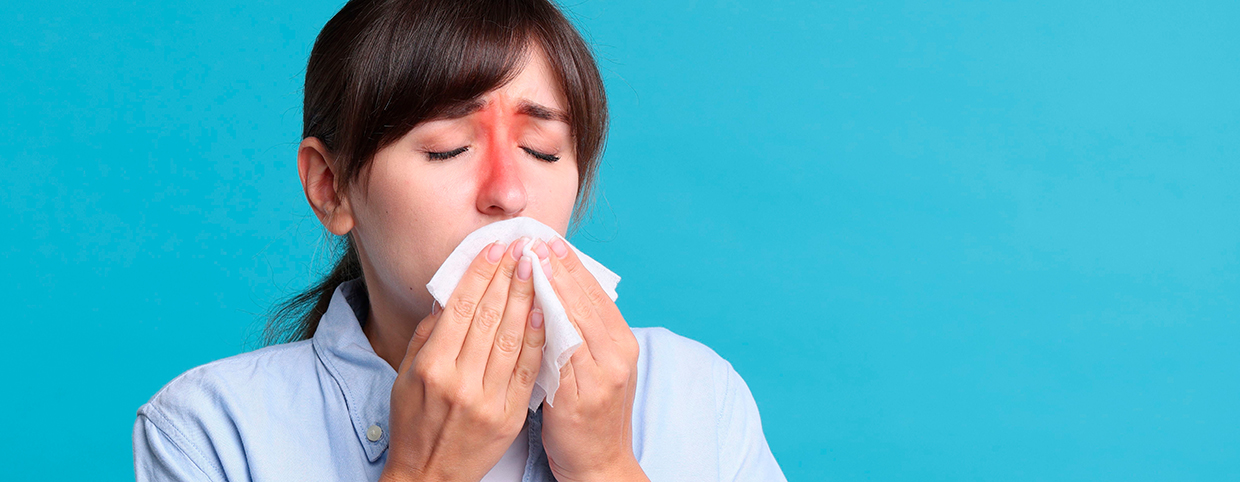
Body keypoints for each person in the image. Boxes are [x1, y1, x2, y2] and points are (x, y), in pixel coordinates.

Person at [132, 0, 787, 481]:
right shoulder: (211, 430)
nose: (509, 193)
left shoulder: (693, 393)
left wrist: (606, 467)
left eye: (542, 149)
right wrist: (426, 474)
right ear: (330, 187)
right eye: (447, 149)